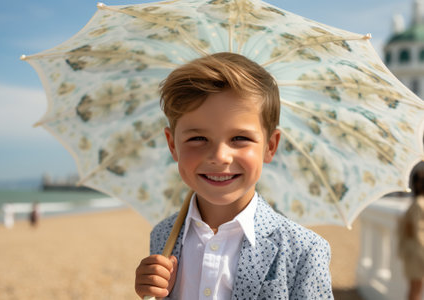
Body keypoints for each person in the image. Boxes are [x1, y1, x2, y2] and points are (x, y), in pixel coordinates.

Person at [134, 52, 333, 299]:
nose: (220, 156)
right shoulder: (163, 236)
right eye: (198, 138)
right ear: (172, 145)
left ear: (270, 146)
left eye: (240, 138)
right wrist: (151, 292)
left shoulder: (303, 251)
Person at [398, 167, 424, 300]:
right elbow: (418, 232)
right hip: (417, 253)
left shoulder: (415, 203)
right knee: (416, 288)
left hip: (412, 252)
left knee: (415, 287)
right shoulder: (419, 204)